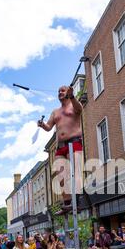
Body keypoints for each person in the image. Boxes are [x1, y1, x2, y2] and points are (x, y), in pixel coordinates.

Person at [38, 85, 83, 215]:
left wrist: (72, 96)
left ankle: (78, 202)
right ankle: (67, 203)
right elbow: (48, 127)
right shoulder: (55, 112)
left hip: (74, 142)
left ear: (68, 92)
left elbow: (80, 109)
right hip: (60, 146)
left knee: (75, 173)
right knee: (61, 176)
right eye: (58, 91)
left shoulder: (74, 105)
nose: (60, 93)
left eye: (62, 91)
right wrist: (42, 125)